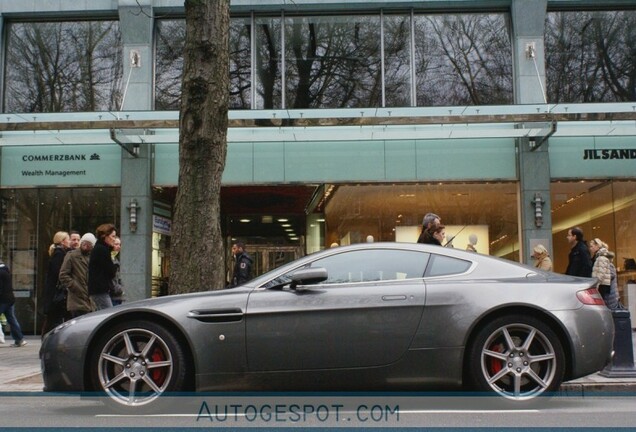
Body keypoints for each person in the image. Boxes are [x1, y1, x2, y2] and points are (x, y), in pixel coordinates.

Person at [59, 233, 96, 318]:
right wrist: (75, 286)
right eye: (84, 243)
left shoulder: (92, 257)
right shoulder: (72, 255)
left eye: (89, 244)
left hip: (90, 300)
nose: (86, 246)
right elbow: (63, 275)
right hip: (76, 300)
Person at [41, 231, 71, 335]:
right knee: (54, 320)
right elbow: (59, 273)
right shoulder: (59, 254)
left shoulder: (59, 253)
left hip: (54, 293)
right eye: (68, 239)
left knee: (54, 320)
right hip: (56, 294)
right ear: (62, 242)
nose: (70, 241)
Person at [88, 224, 118, 310]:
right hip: (100, 291)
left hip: (99, 290)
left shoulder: (100, 249)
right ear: (104, 236)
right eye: (113, 236)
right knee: (107, 315)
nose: (114, 239)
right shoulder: (102, 250)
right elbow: (110, 271)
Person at [0, 259, 27, 347]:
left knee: (12, 319)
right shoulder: (6, 271)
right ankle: (20, 339)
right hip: (9, 299)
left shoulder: (0, 273)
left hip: (3, 300)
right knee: (11, 319)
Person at [589, 238, 618, 308]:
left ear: (597, 246)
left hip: (602, 286)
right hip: (603, 285)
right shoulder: (599, 256)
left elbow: (601, 274)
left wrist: (596, 284)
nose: (590, 248)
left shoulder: (601, 257)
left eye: (592, 246)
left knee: (603, 306)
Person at [110, 236, 125, 306]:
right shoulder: (109, 259)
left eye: (119, 244)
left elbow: (118, 278)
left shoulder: (115, 259)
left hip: (117, 296)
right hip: (112, 295)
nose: (118, 246)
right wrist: (119, 289)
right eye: (116, 244)